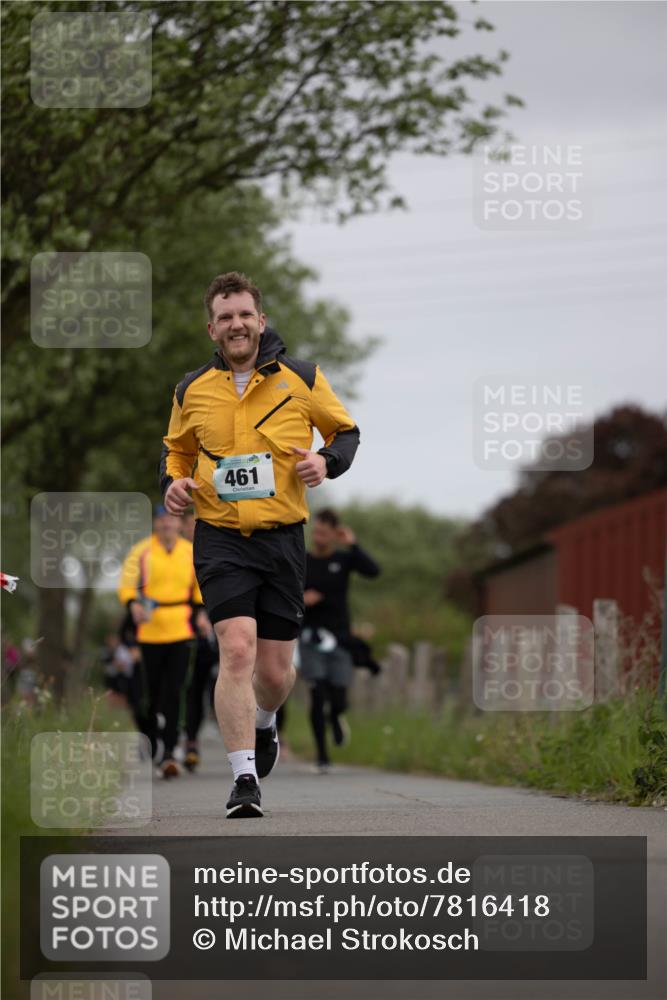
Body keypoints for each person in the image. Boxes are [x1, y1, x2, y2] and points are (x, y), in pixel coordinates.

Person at [160, 271, 359, 817]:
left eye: (244, 314)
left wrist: (327, 460)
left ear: (261, 320)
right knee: (237, 650)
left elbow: (346, 433)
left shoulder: (302, 377)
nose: (236, 324)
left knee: (273, 674)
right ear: (212, 329)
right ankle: (243, 778)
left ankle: (267, 721)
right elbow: (175, 453)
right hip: (221, 538)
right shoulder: (191, 389)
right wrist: (173, 483)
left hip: (282, 542)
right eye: (225, 317)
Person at [118, 507, 205, 778]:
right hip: (150, 629)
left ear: (180, 523)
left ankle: (169, 753)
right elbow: (127, 584)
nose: (166, 523)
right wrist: (132, 603)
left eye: (171, 519)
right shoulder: (142, 551)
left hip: (182, 627)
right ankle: (152, 741)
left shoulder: (190, 551)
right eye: (161, 519)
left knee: (176, 690)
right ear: (155, 523)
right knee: (150, 695)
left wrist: (202, 613)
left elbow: (200, 587)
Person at [300, 508, 380, 771]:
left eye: (324, 532)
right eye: (316, 531)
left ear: (335, 534)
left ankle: (336, 717)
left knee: (338, 699)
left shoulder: (344, 560)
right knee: (317, 692)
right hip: (311, 637)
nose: (318, 536)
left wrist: (353, 544)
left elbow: (373, 571)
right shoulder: (303, 561)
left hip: (340, 637)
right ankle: (322, 756)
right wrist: (303, 600)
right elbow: (285, 592)